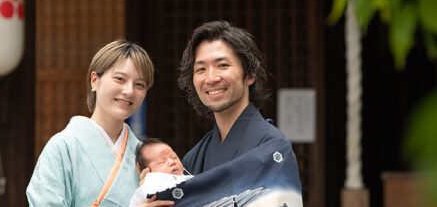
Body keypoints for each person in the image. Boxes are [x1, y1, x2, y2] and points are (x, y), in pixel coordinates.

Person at [164, 20, 303, 206]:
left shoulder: (274, 151)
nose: (211, 78)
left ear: (250, 74)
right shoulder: (193, 159)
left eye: (222, 65)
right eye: (201, 69)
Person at [26, 40, 167, 207]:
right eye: (120, 79)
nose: (129, 91)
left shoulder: (144, 154)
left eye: (140, 85)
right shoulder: (63, 147)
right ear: (94, 80)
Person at [129, 138, 192, 207]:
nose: (172, 162)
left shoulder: (188, 177)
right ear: (147, 172)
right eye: (162, 162)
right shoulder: (148, 185)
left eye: (174, 157)